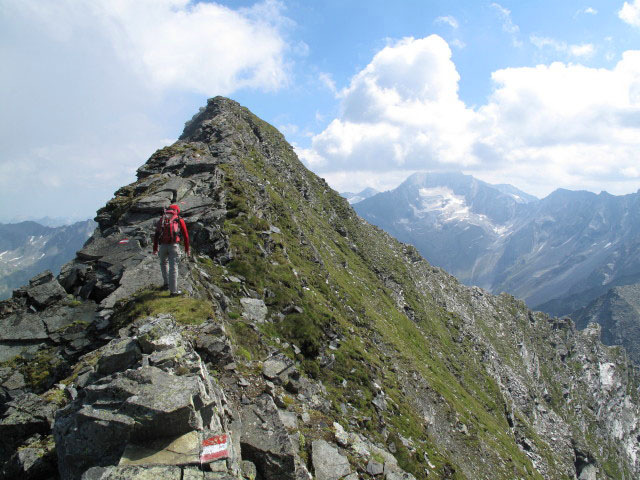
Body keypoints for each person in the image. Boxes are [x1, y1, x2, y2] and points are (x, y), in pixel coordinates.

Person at [152, 204, 190, 295]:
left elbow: (156, 234)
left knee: (163, 264)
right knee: (174, 268)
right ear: (177, 211)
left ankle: (166, 284)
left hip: (163, 246)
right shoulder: (179, 219)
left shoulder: (162, 218)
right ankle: (173, 291)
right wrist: (187, 249)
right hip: (174, 246)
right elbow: (186, 235)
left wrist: (155, 248)